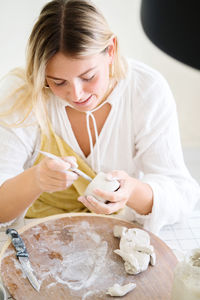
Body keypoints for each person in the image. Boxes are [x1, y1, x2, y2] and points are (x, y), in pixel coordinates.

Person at [0, 0, 199, 234]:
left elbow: (181, 194)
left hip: (116, 232)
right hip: (35, 233)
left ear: (111, 50)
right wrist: (35, 180)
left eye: (88, 76)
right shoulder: (21, 92)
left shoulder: (145, 89)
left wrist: (132, 191)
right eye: (58, 82)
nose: (76, 94)